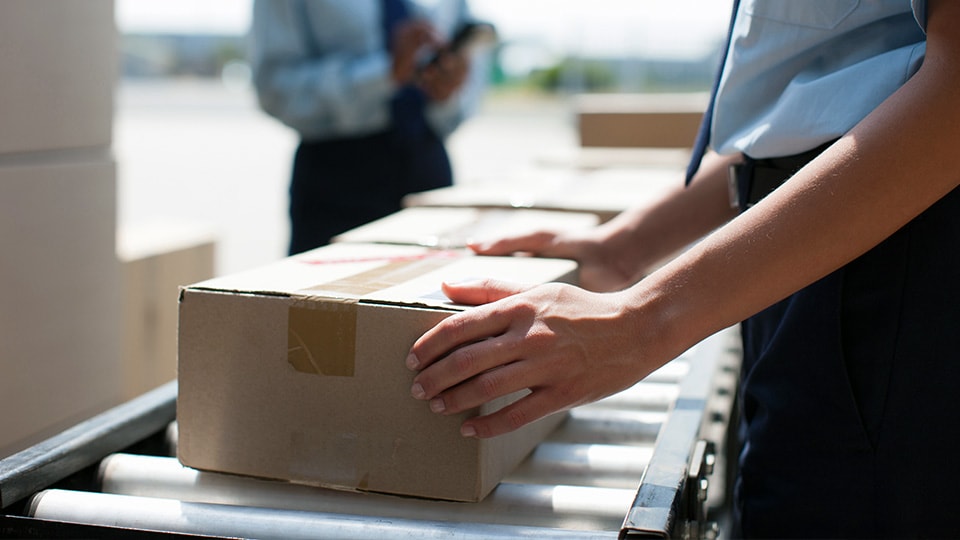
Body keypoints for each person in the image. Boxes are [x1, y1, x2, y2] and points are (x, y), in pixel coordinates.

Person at [406, 1, 960, 537]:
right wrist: (622, 246)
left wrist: (641, 321)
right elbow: (795, 115)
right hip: (812, 263)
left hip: (895, 277)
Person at [250, 0, 489, 254]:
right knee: (326, 290)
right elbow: (274, 88)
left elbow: (468, 83)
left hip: (429, 165)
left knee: (433, 287)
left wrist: (447, 89)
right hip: (337, 178)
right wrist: (385, 72)